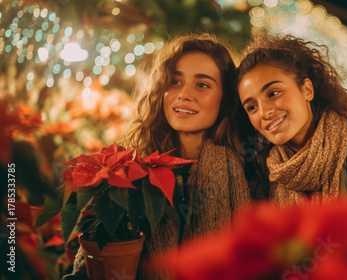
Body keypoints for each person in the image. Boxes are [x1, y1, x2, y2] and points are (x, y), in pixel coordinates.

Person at [65, 34, 251, 279]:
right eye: (175, 81)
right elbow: (91, 261)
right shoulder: (130, 168)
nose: (183, 94)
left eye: (202, 84)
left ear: (225, 98)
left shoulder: (247, 171)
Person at [236, 34, 347, 207]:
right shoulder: (262, 182)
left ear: (307, 90)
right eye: (252, 107)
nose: (264, 112)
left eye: (273, 93)